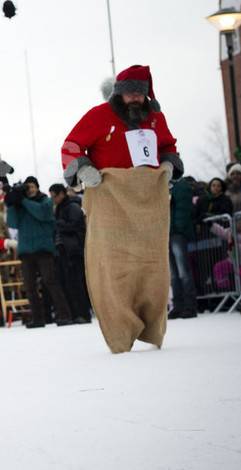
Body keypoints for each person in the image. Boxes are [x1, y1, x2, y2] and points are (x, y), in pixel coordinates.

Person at [61, 64, 184, 353]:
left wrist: (168, 164)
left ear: (146, 94)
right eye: (127, 93)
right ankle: (119, 331)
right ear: (118, 93)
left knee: (153, 268)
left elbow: (169, 147)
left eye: (138, 94)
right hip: (111, 200)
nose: (133, 99)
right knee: (113, 269)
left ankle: (153, 325)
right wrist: (83, 169)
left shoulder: (156, 117)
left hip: (148, 203)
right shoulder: (98, 116)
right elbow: (71, 145)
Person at [4, 178, 72, 327]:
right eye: (26, 187)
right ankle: (37, 318)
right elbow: (12, 223)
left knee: (50, 281)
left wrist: (23, 201)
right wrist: (10, 204)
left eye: (32, 187)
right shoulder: (20, 204)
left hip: (43, 248)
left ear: (37, 187)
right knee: (29, 286)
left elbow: (42, 214)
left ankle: (65, 314)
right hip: (26, 249)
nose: (29, 190)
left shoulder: (45, 201)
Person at [49, 183, 92, 324]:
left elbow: (76, 226)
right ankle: (73, 314)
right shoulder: (59, 209)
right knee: (67, 283)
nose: (53, 200)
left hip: (73, 251)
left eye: (54, 196)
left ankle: (83, 314)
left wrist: (57, 223)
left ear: (61, 194)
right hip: (63, 251)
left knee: (76, 284)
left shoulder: (72, 207)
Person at [168, 177, 197, 319]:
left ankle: (190, 305)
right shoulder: (165, 185)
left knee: (183, 271)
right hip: (167, 233)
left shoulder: (181, 185)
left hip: (177, 233)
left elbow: (183, 210)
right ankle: (177, 306)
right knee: (173, 274)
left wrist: (178, 229)